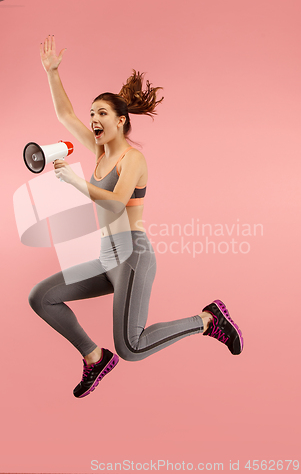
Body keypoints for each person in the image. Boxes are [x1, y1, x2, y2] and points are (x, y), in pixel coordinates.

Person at [28, 35, 244, 399]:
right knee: (41, 297)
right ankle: (94, 358)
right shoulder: (99, 151)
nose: (93, 119)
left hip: (133, 255)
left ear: (121, 121)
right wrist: (52, 72)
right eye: (92, 112)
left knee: (131, 347)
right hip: (107, 256)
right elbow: (65, 114)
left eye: (101, 113)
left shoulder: (133, 159)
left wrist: (76, 182)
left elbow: (115, 203)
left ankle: (208, 321)